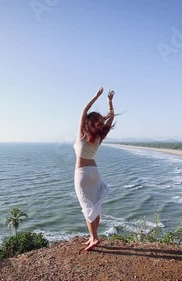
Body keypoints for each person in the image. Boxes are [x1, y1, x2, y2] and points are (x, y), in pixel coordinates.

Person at [73, 86, 115, 252]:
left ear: (87, 123)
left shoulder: (82, 135)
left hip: (82, 174)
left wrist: (96, 95)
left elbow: (84, 109)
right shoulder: (98, 137)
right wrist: (109, 101)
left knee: (86, 207)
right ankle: (93, 236)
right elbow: (110, 117)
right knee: (95, 205)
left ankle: (94, 238)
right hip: (95, 173)